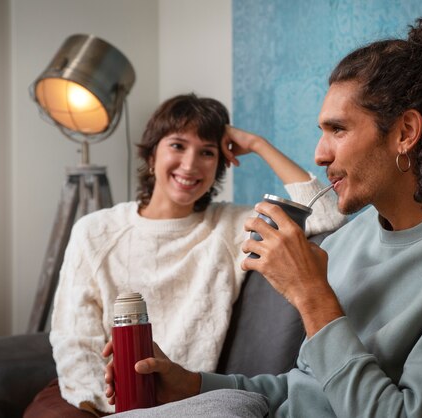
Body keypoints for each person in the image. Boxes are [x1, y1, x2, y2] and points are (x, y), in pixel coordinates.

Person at [104, 11, 422, 418]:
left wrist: (313, 297)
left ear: (405, 133)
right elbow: (299, 392)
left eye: (338, 130)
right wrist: (191, 385)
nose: (319, 153)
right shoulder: (350, 238)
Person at [23, 94, 346, 417]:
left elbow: (327, 215)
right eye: (177, 146)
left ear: (219, 166)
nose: (190, 165)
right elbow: (74, 342)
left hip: (178, 399)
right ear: (152, 155)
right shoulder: (94, 230)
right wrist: (119, 408)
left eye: (207, 152)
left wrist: (258, 144)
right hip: (89, 398)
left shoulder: (230, 227)